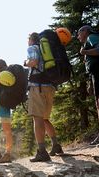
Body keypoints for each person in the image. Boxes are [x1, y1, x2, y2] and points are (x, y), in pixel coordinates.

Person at [24, 32, 63, 162]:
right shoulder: (46, 48)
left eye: (27, 39)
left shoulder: (32, 48)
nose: (27, 41)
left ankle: (42, 151)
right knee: (45, 118)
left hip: (37, 86)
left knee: (38, 118)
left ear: (31, 40)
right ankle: (56, 145)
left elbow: (33, 61)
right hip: (50, 86)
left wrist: (26, 62)